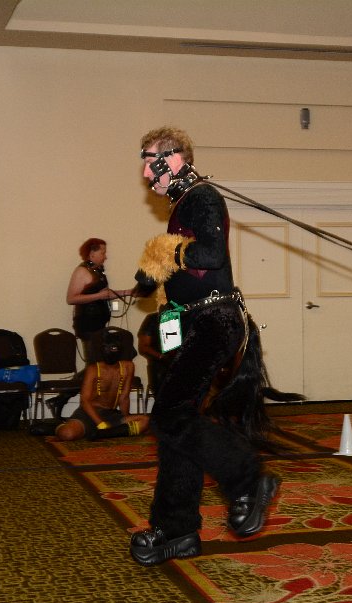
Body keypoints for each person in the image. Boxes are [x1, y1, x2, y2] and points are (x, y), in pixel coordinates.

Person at [129, 126, 284, 567]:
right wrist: (155, 271)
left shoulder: (202, 197)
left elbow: (211, 254)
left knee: (170, 417)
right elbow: (178, 266)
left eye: (150, 161)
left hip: (214, 322)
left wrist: (165, 250)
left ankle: (247, 478)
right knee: (174, 427)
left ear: (174, 159)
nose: (146, 173)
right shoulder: (183, 204)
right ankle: (176, 530)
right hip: (192, 323)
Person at [48, 328, 149, 441]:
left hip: (111, 415)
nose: (111, 352)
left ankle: (102, 433)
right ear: (102, 350)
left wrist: (125, 418)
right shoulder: (93, 369)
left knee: (145, 421)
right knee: (66, 434)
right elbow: (84, 401)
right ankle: (107, 432)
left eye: (114, 349)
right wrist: (100, 423)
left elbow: (124, 398)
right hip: (89, 414)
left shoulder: (128, 367)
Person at [67, 238, 133, 343]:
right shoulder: (82, 271)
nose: (105, 257)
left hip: (99, 323)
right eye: (103, 253)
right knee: (94, 353)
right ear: (92, 253)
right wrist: (98, 296)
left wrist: (129, 292)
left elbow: (106, 294)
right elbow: (71, 299)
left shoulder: (98, 271)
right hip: (88, 325)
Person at [137, 311, 172, 400]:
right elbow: (144, 348)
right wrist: (163, 358)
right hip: (161, 368)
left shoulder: (189, 317)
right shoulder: (153, 319)